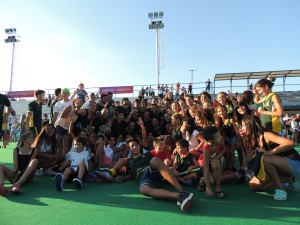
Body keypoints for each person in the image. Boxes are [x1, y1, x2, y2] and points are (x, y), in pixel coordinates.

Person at [239, 115, 300, 200]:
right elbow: (250, 161)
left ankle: (280, 190)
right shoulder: (252, 140)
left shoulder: (266, 135)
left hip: (294, 163)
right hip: (276, 165)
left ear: (250, 125)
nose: (241, 128)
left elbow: (290, 143)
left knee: (266, 159)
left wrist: (269, 152)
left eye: (243, 125)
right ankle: (285, 179)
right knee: (253, 186)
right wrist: (243, 139)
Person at [0, 131, 38, 195]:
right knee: (0, 166)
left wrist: (19, 177)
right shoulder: (16, 149)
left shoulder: (35, 150)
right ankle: (1, 186)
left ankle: (18, 184)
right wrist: (15, 174)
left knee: (35, 161)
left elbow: (29, 165)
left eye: (33, 137)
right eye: (30, 137)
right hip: (17, 174)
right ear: (24, 139)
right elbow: (15, 167)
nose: (33, 139)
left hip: (28, 175)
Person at [197, 126, 226, 199]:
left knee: (216, 164)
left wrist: (216, 158)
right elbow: (206, 168)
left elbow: (224, 150)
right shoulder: (206, 148)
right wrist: (208, 187)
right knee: (212, 181)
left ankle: (218, 188)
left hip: (213, 160)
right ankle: (202, 180)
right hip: (204, 163)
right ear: (210, 140)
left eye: (219, 134)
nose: (220, 137)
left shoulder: (220, 139)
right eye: (217, 136)